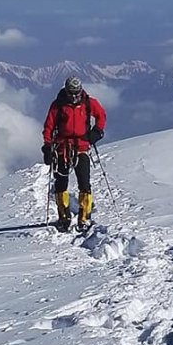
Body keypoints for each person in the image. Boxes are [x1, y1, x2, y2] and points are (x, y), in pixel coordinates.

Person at [42, 76, 107, 231]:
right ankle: (63, 217)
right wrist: (47, 147)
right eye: (71, 93)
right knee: (61, 183)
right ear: (66, 90)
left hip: (82, 147)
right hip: (62, 148)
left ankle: (84, 217)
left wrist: (97, 131)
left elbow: (101, 116)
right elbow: (48, 127)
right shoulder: (58, 105)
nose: (74, 96)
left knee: (84, 182)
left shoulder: (88, 103)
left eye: (76, 93)